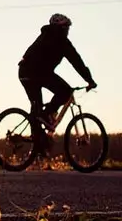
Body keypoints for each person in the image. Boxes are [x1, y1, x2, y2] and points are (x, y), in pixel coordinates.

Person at [18, 13, 97, 148]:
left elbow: (76, 61)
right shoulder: (58, 40)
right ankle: (45, 117)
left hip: (30, 72)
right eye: (66, 28)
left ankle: (39, 142)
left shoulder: (50, 36)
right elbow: (77, 62)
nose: (67, 31)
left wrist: (89, 79)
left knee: (37, 109)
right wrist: (89, 80)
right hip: (33, 72)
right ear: (60, 28)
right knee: (65, 92)